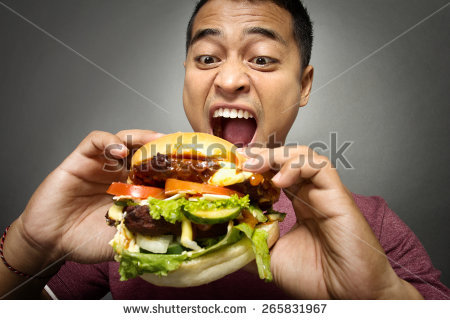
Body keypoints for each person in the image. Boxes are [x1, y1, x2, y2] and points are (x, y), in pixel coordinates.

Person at [0, 0, 448, 299]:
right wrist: (30, 243)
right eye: (208, 58)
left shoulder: (369, 225)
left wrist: (382, 297)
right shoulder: (119, 219)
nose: (229, 80)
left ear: (304, 84)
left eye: (262, 58)